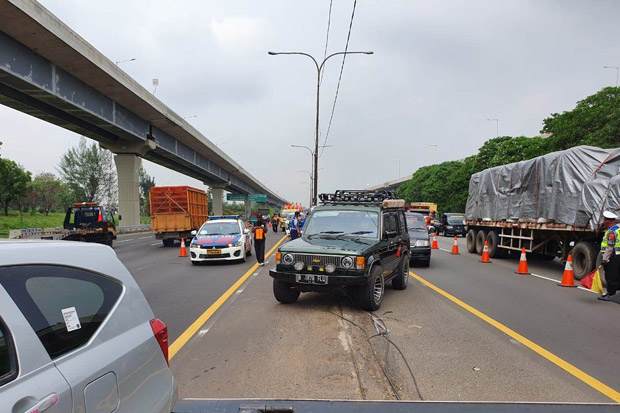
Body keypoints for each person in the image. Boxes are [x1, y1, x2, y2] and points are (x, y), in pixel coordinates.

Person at [599, 210, 620, 301]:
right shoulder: (618, 229)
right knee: (617, 274)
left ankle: (610, 294)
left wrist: (604, 259)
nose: (603, 221)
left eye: (605, 219)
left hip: (613, 256)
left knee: (611, 275)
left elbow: (610, 247)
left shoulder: (612, 232)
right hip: (618, 255)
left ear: (609, 221)